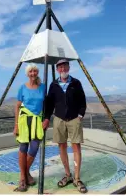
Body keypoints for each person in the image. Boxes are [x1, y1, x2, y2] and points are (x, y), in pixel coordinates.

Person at [43, 59, 88, 193]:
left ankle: (77, 178)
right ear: (57, 69)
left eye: (65, 66)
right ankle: (67, 175)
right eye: (60, 67)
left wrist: (80, 115)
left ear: (68, 67)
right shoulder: (54, 85)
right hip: (59, 119)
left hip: (74, 119)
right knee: (61, 146)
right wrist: (46, 118)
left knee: (76, 146)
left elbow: (82, 101)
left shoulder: (76, 83)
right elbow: (49, 104)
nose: (63, 69)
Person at [13, 63, 45, 192]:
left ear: (37, 73)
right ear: (27, 74)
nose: (33, 74)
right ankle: (23, 177)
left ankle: (25, 172)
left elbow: (45, 104)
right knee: (23, 147)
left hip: (37, 120)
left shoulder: (43, 87)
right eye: (30, 72)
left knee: (35, 147)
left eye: (35, 71)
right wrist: (16, 125)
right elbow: (17, 106)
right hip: (24, 120)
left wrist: (46, 119)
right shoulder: (22, 88)